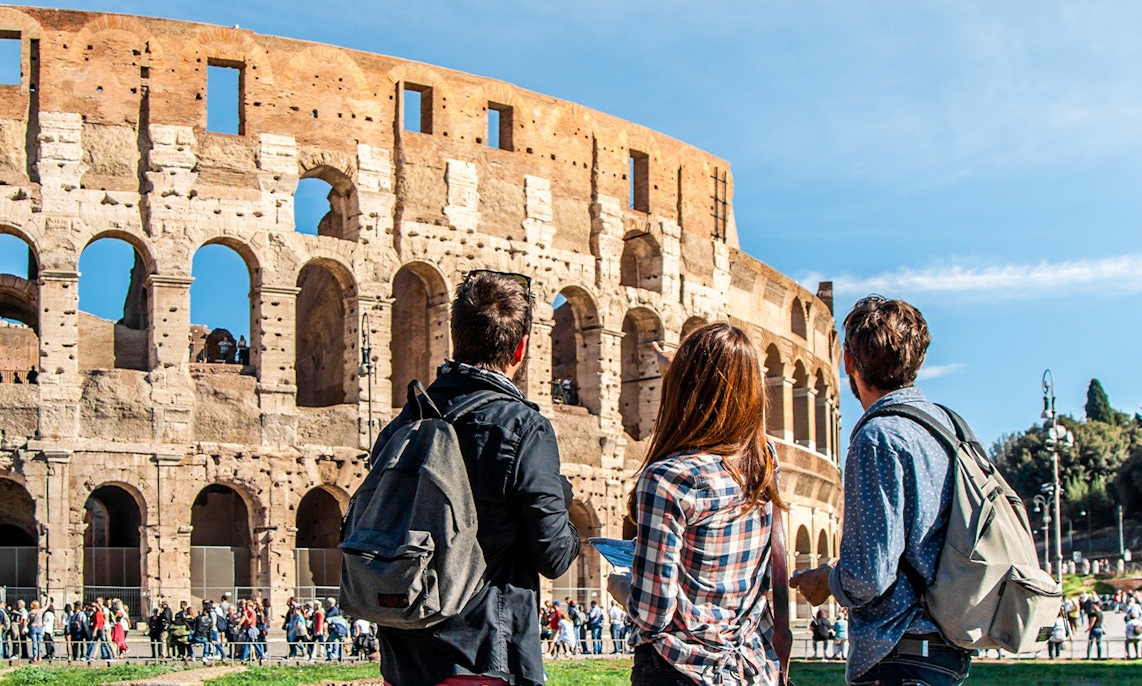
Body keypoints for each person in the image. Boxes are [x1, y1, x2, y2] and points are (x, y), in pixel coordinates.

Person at [371, 270, 579, 686]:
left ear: (455, 338)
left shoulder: (404, 422)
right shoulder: (523, 428)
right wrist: (561, 497)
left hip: (404, 654)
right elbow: (554, 555)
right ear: (520, 348)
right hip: (485, 650)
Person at [791, 296, 972, 686]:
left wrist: (827, 580)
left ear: (849, 363)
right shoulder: (945, 428)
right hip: (944, 647)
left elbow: (869, 576)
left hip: (899, 653)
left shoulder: (878, 437)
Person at [608, 323, 785, 686]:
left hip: (680, 669)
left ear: (681, 390)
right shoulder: (764, 463)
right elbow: (735, 410)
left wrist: (620, 586)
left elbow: (652, 613)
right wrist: (683, 372)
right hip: (750, 667)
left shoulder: (668, 479)